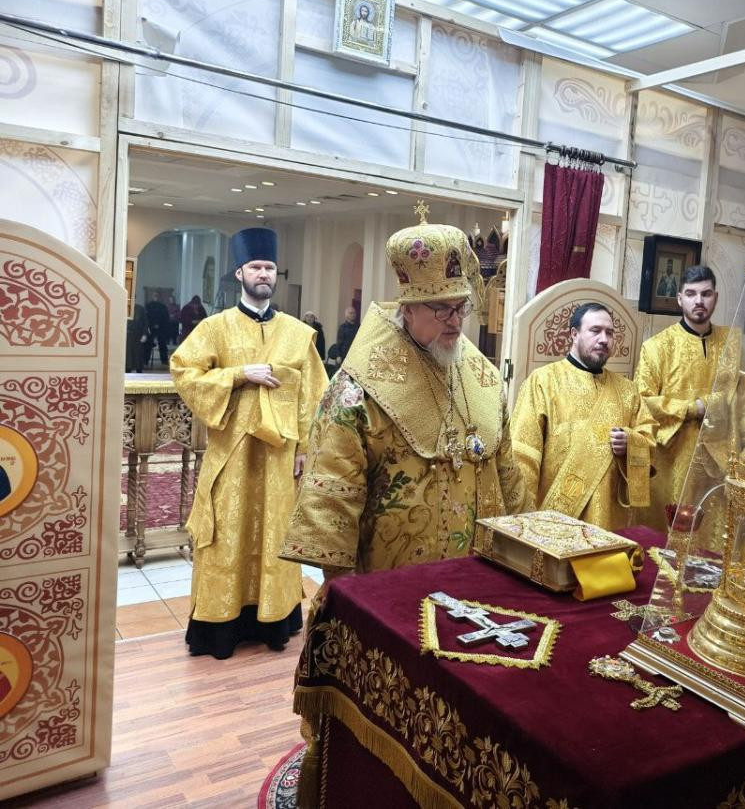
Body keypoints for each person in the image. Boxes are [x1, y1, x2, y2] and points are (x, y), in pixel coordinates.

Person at [282, 205, 529, 575]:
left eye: (461, 307)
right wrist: (345, 590)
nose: (456, 322)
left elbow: (507, 475)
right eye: (442, 310)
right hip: (394, 580)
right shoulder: (357, 391)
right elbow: (332, 499)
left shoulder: (484, 377)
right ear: (408, 308)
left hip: (482, 575)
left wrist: (522, 544)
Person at [170, 227, 326, 659]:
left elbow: (315, 395)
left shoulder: (297, 333)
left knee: (275, 535)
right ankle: (219, 628)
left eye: (270, 268)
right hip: (232, 454)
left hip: (280, 458)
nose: (263, 274)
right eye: (256, 267)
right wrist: (239, 374)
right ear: (239, 272)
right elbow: (184, 372)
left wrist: (305, 449)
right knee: (226, 535)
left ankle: (274, 623)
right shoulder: (215, 328)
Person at [510, 301, 657, 531]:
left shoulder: (628, 391)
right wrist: (523, 520)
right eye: (595, 330)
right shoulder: (543, 381)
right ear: (574, 334)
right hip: (556, 522)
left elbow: (649, 439)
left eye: (610, 333)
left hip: (610, 522)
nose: (604, 339)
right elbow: (523, 456)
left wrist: (631, 443)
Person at [635, 265, 732, 512]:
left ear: (715, 298)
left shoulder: (732, 343)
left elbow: (743, 396)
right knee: (670, 527)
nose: (699, 301)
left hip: (720, 459)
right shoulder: (656, 347)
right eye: (691, 294)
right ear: (680, 298)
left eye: (706, 294)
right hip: (672, 460)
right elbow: (642, 403)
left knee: (715, 528)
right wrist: (693, 408)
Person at [144, 296, 171, 367]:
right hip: (152, 327)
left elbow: (166, 318)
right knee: (148, 344)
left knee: (162, 344)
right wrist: (152, 325)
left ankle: (164, 361)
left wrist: (159, 325)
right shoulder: (149, 306)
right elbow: (146, 317)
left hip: (161, 328)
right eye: (154, 296)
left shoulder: (162, 307)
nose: (155, 298)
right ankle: (145, 360)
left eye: (156, 296)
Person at [125, 303, 147, 373]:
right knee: (128, 354)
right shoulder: (123, 307)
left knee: (138, 354)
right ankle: (127, 370)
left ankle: (139, 370)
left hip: (138, 335)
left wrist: (144, 334)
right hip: (127, 335)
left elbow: (145, 323)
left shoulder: (140, 309)